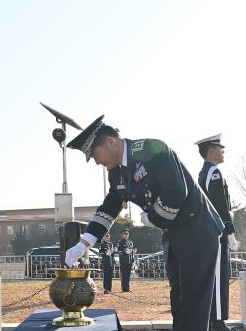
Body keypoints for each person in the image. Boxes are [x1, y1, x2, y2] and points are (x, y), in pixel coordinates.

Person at [64, 115, 224, 331]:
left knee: (194, 305)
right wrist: (84, 243)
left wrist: (152, 217)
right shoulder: (117, 174)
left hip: (198, 230)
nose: (97, 162)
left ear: (111, 141)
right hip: (174, 235)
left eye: (96, 154)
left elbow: (177, 192)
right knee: (179, 303)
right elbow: (110, 207)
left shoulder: (152, 149)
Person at [196, 134, 238, 331]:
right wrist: (229, 230)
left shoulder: (203, 172)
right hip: (217, 231)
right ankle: (218, 321)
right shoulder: (214, 172)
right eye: (220, 148)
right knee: (220, 276)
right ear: (211, 151)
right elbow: (219, 203)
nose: (223, 151)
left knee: (213, 276)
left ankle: (213, 319)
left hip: (206, 231)